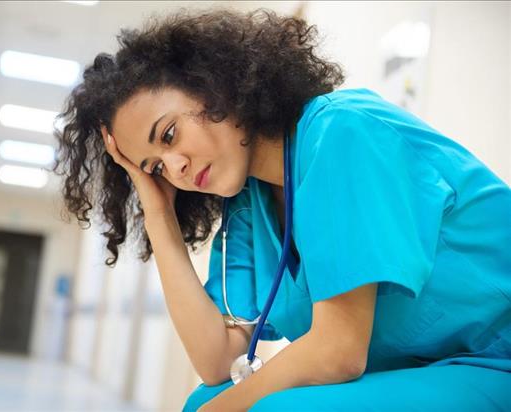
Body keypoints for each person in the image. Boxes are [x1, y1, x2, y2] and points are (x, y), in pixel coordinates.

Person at [53, 8, 511, 411]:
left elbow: (339, 351)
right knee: (203, 400)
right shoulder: (250, 202)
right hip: (428, 370)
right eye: (155, 167)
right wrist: (158, 215)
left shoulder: (342, 132)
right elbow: (216, 361)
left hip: (496, 359)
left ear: (214, 86)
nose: (174, 168)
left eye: (169, 135)